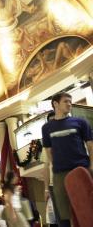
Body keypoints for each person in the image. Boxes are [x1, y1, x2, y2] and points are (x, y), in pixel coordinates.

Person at [42, 92, 93, 227]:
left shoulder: (81, 122)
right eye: (66, 101)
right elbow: (48, 152)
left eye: (70, 101)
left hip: (81, 170)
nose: (69, 104)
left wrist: (91, 167)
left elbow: (90, 146)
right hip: (60, 175)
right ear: (55, 104)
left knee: (88, 207)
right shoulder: (46, 128)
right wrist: (57, 165)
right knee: (67, 213)